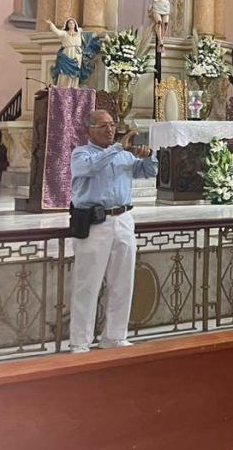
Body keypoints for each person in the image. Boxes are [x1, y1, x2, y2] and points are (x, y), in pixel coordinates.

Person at [68, 110, 157, 353]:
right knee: (87, 283)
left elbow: (148, 172)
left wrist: (148, 156)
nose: (109, 129)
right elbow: (89, 169)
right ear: (89, 130)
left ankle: (115, 336)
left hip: (124, 219)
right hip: (95, 223)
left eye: (112, 125)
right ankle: (80, 341)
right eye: (103, 126)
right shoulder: (81, 153)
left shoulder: (122, 155)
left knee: (123, 281)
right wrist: (118, 148)